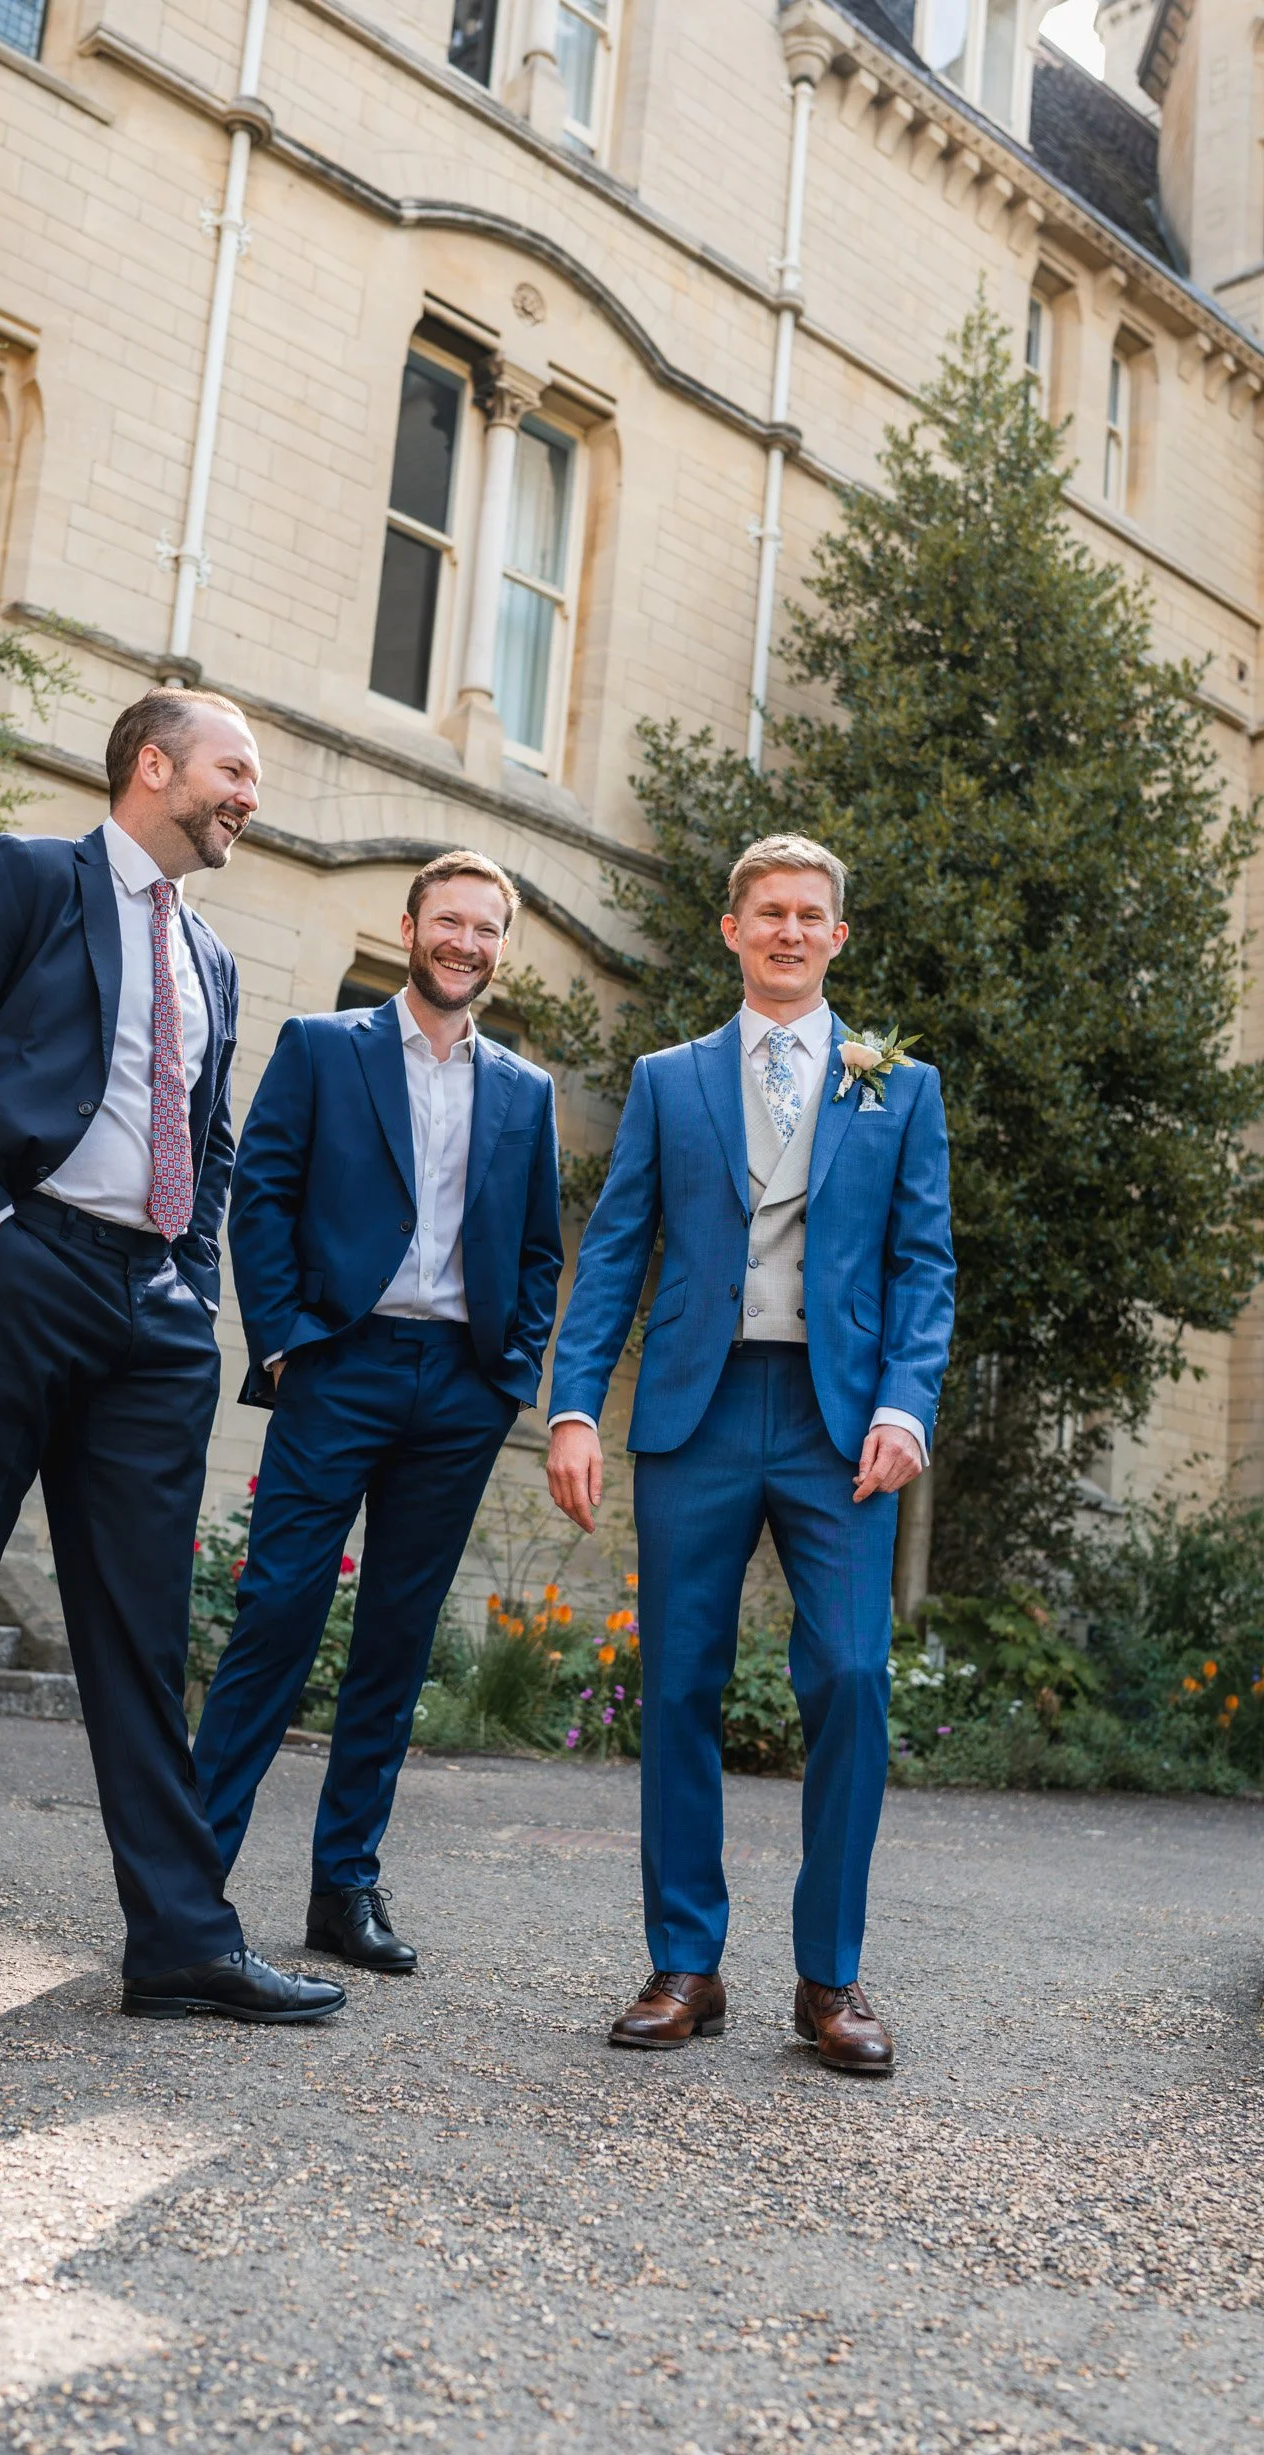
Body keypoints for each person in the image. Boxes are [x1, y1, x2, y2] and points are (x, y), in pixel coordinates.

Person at [0, 687, 345, 2038]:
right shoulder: (24, 878)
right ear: (150, 765)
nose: (250, 795)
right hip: (18, 1270)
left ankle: (182, 1944)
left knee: (139, 1632)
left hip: (154, 1314)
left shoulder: (217, 957)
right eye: (233, 769)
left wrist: (191, 1278)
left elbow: (215, 1136)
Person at [545, 834, 954, 2072]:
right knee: (674, 1683)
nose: (786, 929)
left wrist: (904, 1404)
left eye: (808, 914)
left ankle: (828, 1977)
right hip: (696, 1413)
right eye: (766, 911)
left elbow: (921, 1267)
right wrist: (572, 1407)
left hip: (842, 1428)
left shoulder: (900, 1087)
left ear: (837, 935)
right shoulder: (670, 1080)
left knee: (852, 1678)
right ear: (731, 931)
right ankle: (685, 1965)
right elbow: (616, 1249)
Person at [194, 851, 564, 1972]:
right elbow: (258, 1195)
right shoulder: (323, 1048)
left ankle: (341, 1891)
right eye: (447, 921)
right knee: (277, 1618)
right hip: (337, 1365)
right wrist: (292, 1344)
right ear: (408, 926)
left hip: (458, 1388)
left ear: (501, 947)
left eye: (485, 928)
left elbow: (541, 1249)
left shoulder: (526, 1090)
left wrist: (508, 1372)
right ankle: (187, 1882)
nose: (465, 942)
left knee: (395, 1644)